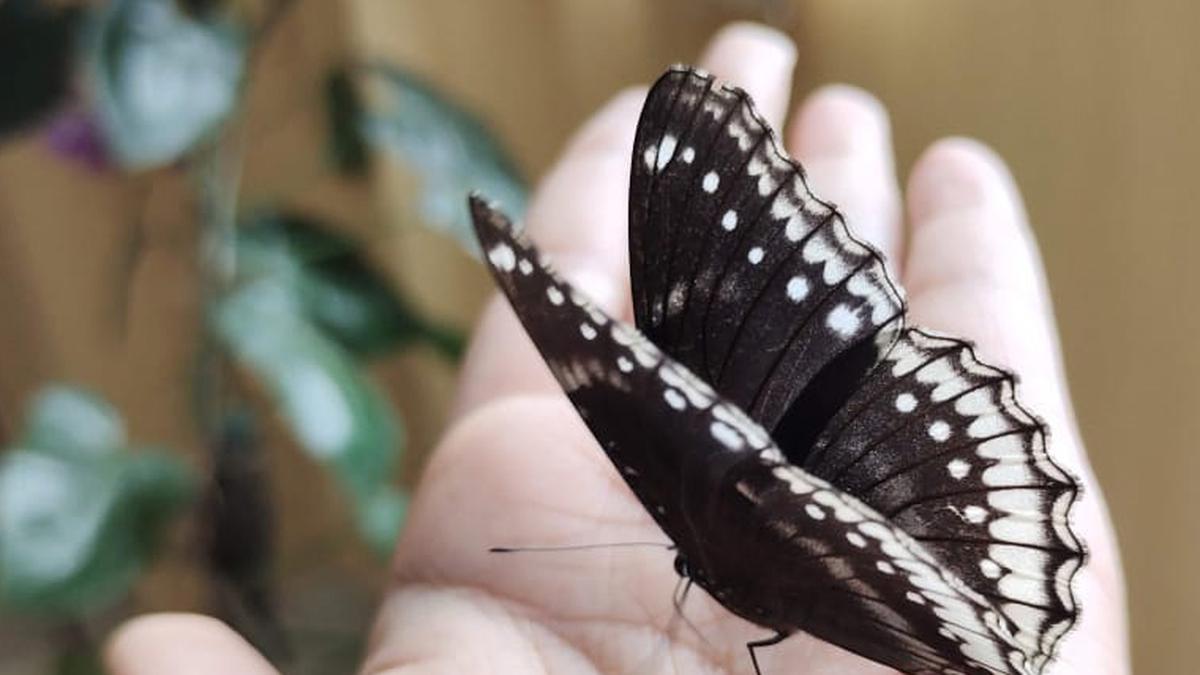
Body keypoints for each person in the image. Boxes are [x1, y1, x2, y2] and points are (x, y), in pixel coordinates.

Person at [104, 23, 1129, 675]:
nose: (688, 565)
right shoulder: (728, 525)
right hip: (919, 499)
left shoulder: (734, 529)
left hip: (907, 541)